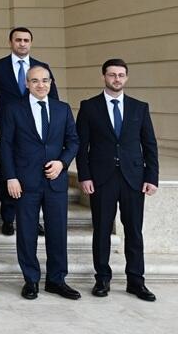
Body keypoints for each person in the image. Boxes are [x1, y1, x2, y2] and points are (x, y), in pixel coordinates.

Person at [76, 58, 159, 302]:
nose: (116, 79)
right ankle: (102, 278)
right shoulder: (89, 107)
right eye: (112, 75)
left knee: (134, 231)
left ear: (126, 77)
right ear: (104, 76)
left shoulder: (139, 107)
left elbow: (150, 145)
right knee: (102, 230)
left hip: (134, 179)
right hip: (101, 179)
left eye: (121, 75)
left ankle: (136, 281)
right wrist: (84, 176)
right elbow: (81, 146)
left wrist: (152, 177)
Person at [0, 65, 80, 301]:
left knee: (57, 232)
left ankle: (56, 280)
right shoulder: (14, 109)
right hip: (25, 182)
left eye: (45, 80)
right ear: (27, 84)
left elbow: (73, 141)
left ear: (51, 83)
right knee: (26, 233)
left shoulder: (62, 109)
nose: (40, 85)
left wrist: (62, 163)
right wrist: (10, 177)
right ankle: (31, 280)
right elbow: (6, 146)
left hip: (55, 181)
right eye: (35, 81)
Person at [0, 27, 59, 236]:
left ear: (31, 43)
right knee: (8, 171)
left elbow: (53, 98)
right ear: (11, 42)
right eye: (18, 40)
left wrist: (53, 128)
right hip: (6, 128)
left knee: (35, 174)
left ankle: (32, 219)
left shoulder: (42, 68)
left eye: (26, 40)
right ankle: (8, 218)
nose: (22, 43)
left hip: (36, 131)